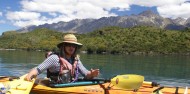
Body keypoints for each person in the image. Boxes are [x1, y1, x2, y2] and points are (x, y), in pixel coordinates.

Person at [25, 34, 100, 84]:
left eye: (73, 45)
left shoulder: (76, 60)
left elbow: (86, 74)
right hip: (55, 88)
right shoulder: (54, 58)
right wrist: (30, 75)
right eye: (68, 45)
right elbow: (38, 69)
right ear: (63, 46)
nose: (71, 47)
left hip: (70, 87)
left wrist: (92, 74)